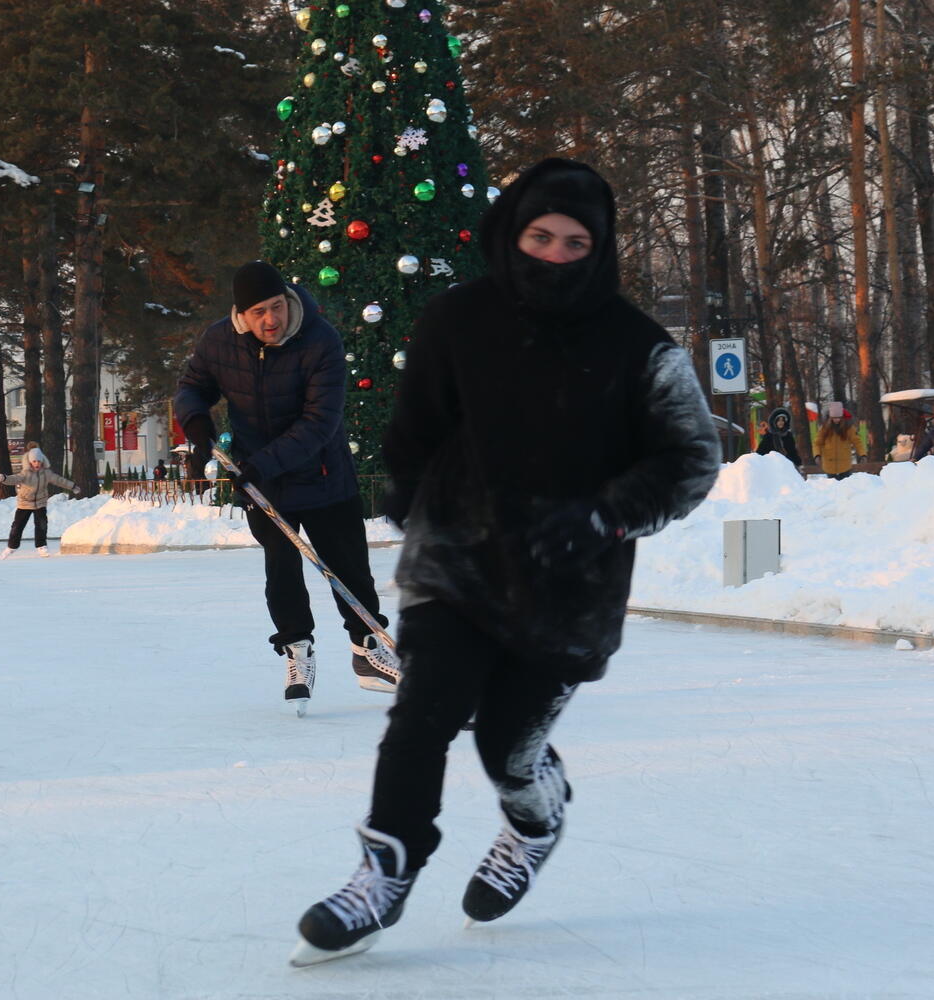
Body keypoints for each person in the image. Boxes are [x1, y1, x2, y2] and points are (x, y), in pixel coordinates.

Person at [290, 158, 721, 965]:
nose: (554, 255)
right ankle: (384, 871)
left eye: (574, 242)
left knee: (505, 747)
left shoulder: (640, 348)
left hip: (570, 584)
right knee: (422, 715)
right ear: (511, 232)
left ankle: (534, 818)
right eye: (539, 236)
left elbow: (692, 457)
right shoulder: (457, 320)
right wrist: (412, 495)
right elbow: (415, 425)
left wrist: (605, 516)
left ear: (600, 249)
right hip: (456, 563)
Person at [175, 259, 402, 713]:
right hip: (263, 482)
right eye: (259, 311)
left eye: (276, 306)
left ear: (288, 300)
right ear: (242, 313)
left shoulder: (319, 339)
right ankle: (297, 648)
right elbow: (193, 385)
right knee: (281, 567)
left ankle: (368, 649)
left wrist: (259, 465)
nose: (271, 320)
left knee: (349, 568)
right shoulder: (221, 340)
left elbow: (319, 423)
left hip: (323, 476)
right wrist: (196, 421)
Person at [0, 444, 79, 558]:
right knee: (17, 526)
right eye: (34, 461)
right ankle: (11, 547)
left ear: (42, 461)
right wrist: (4, 478)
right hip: (24, 503)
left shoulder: (46, 473)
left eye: (39, 461)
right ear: (30, 462)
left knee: (42, 525)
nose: (37, 464)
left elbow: (59, 480)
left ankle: (41, 546)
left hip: (40, 503)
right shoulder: (25, 473)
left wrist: (73, 486)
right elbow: (14, 479)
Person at [815, 401, 863, 478]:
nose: (836, 420)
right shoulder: (824, 429)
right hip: (829, 466)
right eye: (834, 418)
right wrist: (817, 455)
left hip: (845, 466)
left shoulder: (848, 428)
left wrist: (862, 454)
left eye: (838, 417)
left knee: (846, 487)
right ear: (830, 417)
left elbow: (857, 441)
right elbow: (817, 443)